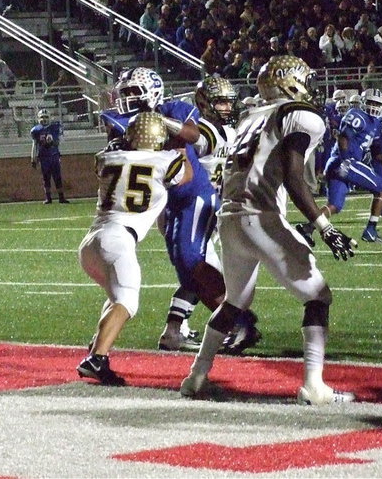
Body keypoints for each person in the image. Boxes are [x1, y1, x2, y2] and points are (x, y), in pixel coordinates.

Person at [181, 55, 357, 406]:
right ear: (288, 81)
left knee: (234, 303)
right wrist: (323, 225)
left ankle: (196, 377)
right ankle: (313, 385)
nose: (309, 86)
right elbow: (293, 175)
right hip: (260, 216)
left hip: (229, 219)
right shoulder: (298, 115)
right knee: (318, 296)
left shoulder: (250, 115)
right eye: (304, 79)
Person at [77, 112, 190, 385]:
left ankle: (97, 349)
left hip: (92, 242)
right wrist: (182, 150)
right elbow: (185, 176)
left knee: (116, 297)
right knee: (127, 301)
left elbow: (109, 159)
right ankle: (96, 359)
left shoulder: (107, 158)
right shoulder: (165, 161)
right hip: (118, 240)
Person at [156, 76, 261, 354]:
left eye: (229, 100)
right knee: (205, 272)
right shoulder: (203, 130)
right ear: (205, 102)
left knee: (197, 274)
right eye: (221, 101)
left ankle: (173, 331)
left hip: (211, 208)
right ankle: (235, 325)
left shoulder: (228, 131)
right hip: (191, 206)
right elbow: (187, 147)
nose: (227, 107)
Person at [296, 89, 382, 244]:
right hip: (346, 161)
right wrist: (346, 160)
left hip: (338, 164)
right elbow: (343, 138)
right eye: (371, 102)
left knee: (334, 206)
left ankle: (307, 229)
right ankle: (371, 230)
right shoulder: (358, 115)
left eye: (377, 104)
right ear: (363, 103)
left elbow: (375, 148)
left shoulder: (375, 123)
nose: (373, 106)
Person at [30, 109, 69, 204]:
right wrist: (33, 157)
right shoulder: (36, 130)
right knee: (46, 177)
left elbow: (60, 141)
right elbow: (34, 144)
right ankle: (48, 198)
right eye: (42, 117)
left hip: (54, 155)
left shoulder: (55, 127)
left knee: (57, 177)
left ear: (50, 117)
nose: (44, 119)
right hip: (43, 157)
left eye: (46, 117)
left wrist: (52, 143)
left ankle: (61, 197)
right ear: (38, 118)